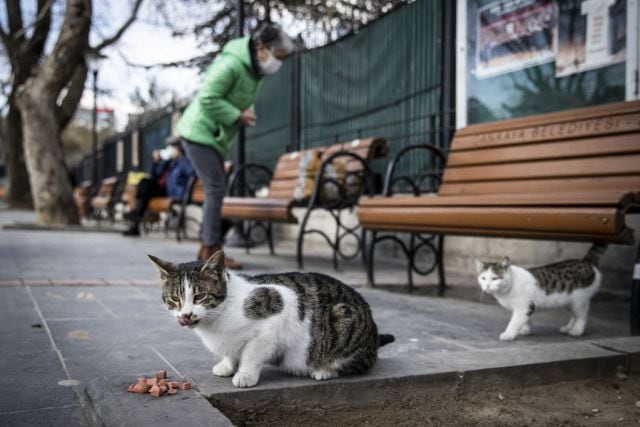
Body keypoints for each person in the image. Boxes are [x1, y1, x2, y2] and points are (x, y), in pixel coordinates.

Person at [177, 23, 294, 267]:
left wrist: (243, 111)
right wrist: (237, 116)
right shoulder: (231, 64)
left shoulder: (253, 71)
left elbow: (235, 98)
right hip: (200, 132)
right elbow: (208, 97)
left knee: (217, 190)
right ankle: (211, 252)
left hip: (213, 136)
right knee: (215, 189)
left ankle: (207, 248)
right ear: (261, 48)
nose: (278, 63)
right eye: (278, 56)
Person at [123, 136, 195, 236]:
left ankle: (135, 218)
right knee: (145, 183)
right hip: (164, 190)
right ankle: (135, 223)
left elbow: (192, 173)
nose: (170, 149)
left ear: (180, 148)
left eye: (173, 146)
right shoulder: (169, 161)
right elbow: (154, 176)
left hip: (174, 192)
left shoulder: (185, 159)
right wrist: (156, 161)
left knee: (145, 190)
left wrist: (180, 158)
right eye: (169, 146)